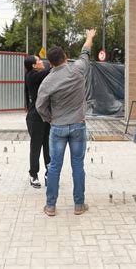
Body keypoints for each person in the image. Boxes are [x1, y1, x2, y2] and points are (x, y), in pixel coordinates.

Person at [36, 29, 96, 216]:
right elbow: (85, 52)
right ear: (66, 57)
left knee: (54, 166)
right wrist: (89, 37)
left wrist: (49, 118)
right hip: (78, 125)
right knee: (78, 165)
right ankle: (79, 205)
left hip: (58, 127)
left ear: (50, 62)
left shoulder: (47, 81)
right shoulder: (78, 69)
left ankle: (51, 206)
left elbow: (40, 106)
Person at [24, 55, 51, 189]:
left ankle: (49, 173)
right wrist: (55, 63)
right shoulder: (32, 75)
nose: (42, 62)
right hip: (35, 118)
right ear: (34, 65)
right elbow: (49, 72)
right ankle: (33, 175)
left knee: (48, 146)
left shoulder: (37, 75)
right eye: (39, 61)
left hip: (45, 116)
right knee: (36, 147)